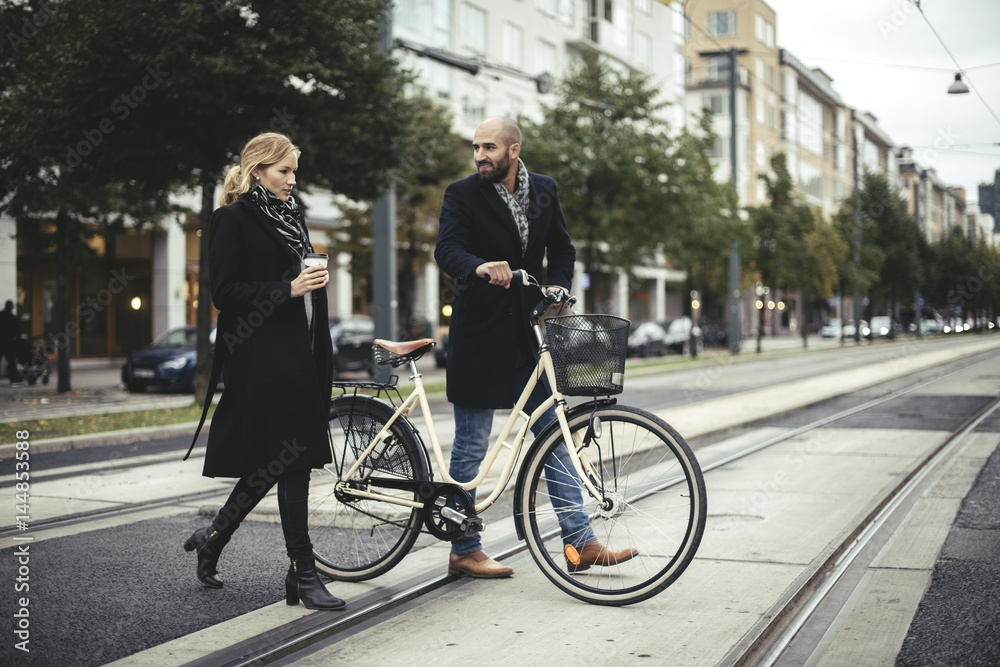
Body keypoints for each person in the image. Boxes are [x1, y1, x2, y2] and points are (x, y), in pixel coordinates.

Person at [434, 116, 638, 578]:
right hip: (477, 337)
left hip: (527, 339)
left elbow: (562, 250)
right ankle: (464, 548)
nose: (480, 155)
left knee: (555, 437)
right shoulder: (461, 193)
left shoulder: (544, 189)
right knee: (470, 446)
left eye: (489, 147)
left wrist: (560, 289)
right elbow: (446, 249)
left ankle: (580, 541)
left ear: (514, 150)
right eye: (476, 147)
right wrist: (482, 266)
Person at [182, 132, 344, 611]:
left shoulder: (292, 218)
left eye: (295, 171)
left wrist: (310, 285)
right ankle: (304, 572)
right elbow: (225, 293)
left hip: (305, 352)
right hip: (263, 359)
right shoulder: (230, 219)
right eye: (284, 171)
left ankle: (213, 537)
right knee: (293, 462)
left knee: (271, 464)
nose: (293, 180)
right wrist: (288, 288)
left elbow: (299, 283)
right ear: (257, 171)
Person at [0, 300, 25, 387]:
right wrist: (18, 340)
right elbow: (17, 329)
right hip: (8, 342)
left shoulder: (1, 315)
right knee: (11, 361)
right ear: (11, 307)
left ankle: (14, 379)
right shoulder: (11, 317)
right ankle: (13, 379)